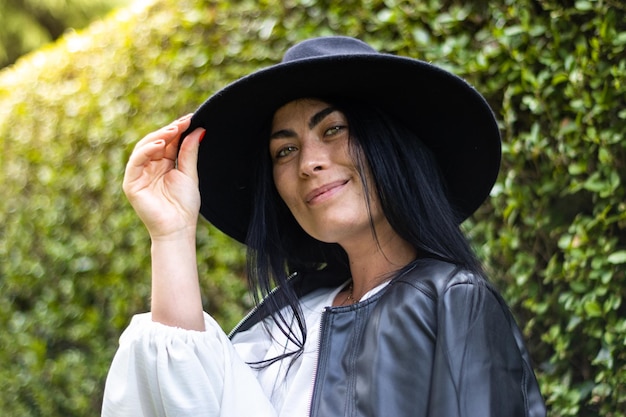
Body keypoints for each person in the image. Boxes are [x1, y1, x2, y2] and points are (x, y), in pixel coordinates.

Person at [101, 36, 546, 417]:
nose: (310, 162)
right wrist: (171, 232)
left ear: (388, 145)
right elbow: (184, 398)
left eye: (333, 129)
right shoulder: (282, 323)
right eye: (284, 151)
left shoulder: (451, 301)